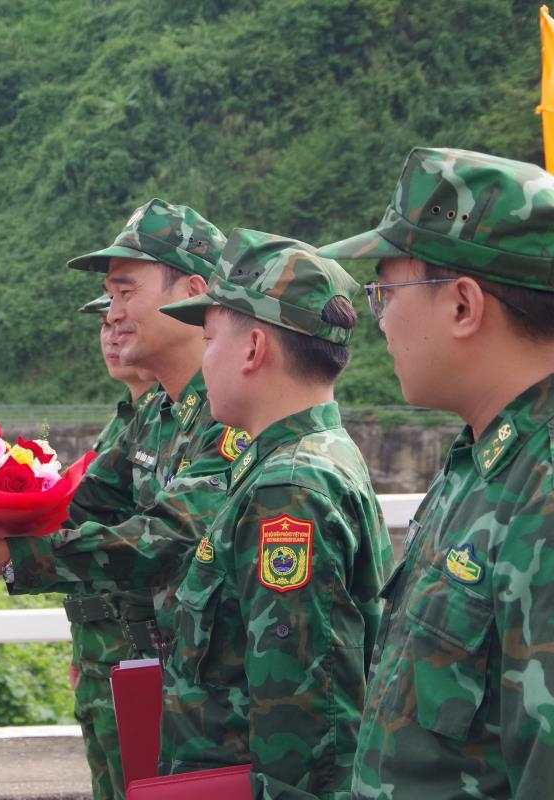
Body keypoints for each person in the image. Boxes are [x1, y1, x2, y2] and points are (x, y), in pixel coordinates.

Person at [0, 199, 244, 799]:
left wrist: (4, 556)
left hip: (211, 699)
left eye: (127, 292)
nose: (114, 313)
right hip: (144, 676)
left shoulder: (232, 413)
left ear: (193, 292)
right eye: (110, 297)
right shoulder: (156, 409)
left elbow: (172, 537)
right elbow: (77, 508)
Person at [316, 147, 554, 799]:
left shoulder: (542, 490)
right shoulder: (481, 462)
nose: (380, 318)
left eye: (386, 292)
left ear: (463, 306)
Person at [158, 228, 394, 797]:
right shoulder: (310, 457)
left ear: (254, 348)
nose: (203, 360)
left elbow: (308, 725)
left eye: (210, 339)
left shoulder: (288, 488)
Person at [80, 292, 155, 454]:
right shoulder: (126, 410)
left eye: (124, 327)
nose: (112, 339)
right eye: (106, 325)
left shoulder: (164, 415)